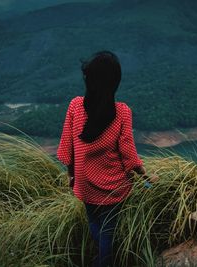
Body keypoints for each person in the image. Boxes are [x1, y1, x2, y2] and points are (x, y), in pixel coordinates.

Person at [57, 51, 154, 267]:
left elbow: (68, 146)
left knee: (94, 221)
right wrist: (145, 175)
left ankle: (100, 259)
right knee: (108, 231)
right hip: (112, 186)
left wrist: (71, 176)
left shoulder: (75, 106)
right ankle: (104, 262)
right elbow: (128, 153)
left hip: (84, 183)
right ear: (114, 83)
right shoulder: (122, 112)